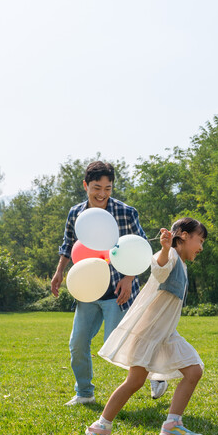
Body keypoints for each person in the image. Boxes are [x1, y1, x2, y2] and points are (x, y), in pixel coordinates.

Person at [85, 218, 208, 435]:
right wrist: (164, 248)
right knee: (135, 381)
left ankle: (172, 425)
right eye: (199, 240)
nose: (201, 247)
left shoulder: (181, 263)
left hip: (166, 334)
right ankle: (99, 427)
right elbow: (159, 269)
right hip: (149, 333)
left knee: (193, 371)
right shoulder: (170, 256)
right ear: (182, 235)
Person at [52, 161, 159, 406]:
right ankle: (84, 393)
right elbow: (68, 245)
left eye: (108, 188)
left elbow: (141, 247)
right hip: (88, 289)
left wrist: (129, 278)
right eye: (96, 187)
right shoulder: (76, 213)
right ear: (85, 186)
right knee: (77, 343)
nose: (102, 193)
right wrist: (59, 272)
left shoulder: (126, 212)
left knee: (121, 345)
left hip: (118, 290)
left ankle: (155, 374)